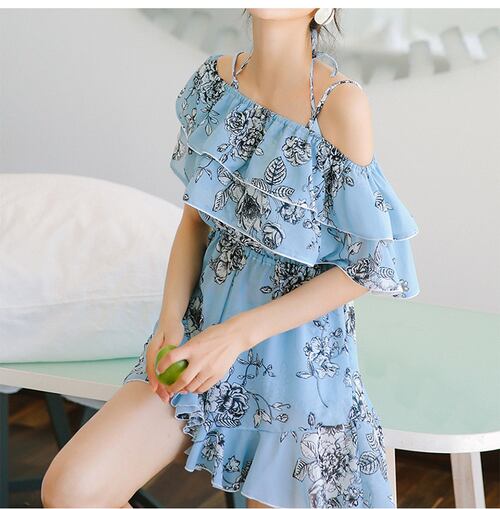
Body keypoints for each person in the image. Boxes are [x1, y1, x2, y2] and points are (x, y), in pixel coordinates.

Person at [41, 8, 420, 509]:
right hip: (198, 335)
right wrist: (169, 322)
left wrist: (236, 337)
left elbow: (367, 267)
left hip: (295, 360)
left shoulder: (339, 105)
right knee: (71, 490)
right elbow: (195, 222)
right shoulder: (214, 83)